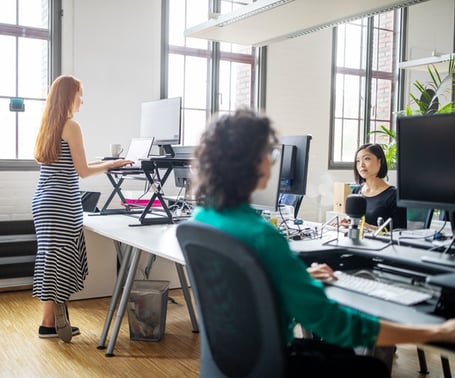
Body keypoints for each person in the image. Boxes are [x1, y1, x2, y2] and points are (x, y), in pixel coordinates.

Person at [190, 109, 455, 377]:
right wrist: (436, 331)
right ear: (253, 163)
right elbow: (333, 323)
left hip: (232, 362)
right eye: (270, 155)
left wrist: (300, 277)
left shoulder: (202, 218)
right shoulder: (262, 236)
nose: (273, 163)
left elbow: (244, 284)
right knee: (369, 367)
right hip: (273, 363)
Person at [32, 75, 133, 342]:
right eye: (80, 93)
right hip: (61, 203)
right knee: (59, 260)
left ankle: (50, 323)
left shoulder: (49, 125)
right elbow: (84, 171)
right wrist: (114, 164)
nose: (82, 99)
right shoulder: (71, 125)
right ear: (69, 96)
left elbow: (74, 163)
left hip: (44, 202)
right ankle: (48, 324)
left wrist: (106, 160)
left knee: (51, 259)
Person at [341, 143, 407, 231]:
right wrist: (346, 224)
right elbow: (354, 223)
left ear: (380, 162)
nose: (361, 165)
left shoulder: (394, 195)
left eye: (366, 159)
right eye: (358, 161)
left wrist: (368, 227)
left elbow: (399, 233)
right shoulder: (356, 191)